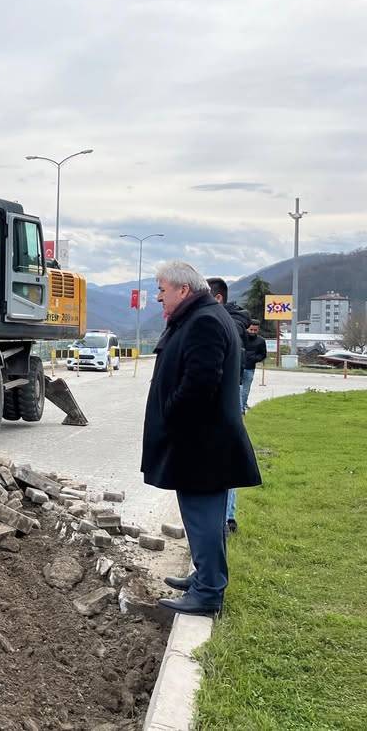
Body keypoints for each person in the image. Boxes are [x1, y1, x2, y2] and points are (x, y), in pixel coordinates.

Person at [142, 261, 262, 615]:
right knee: (202, 515)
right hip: (202, 440)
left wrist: (171, 414)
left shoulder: (205, 321)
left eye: (162, 290)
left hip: (201, 442)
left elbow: (200, 384)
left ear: (183, 290)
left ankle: (208, 593)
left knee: (204, 516)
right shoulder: (203, 315)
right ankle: (204, 578)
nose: (158, 297)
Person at [206, 276, 251, 533]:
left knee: (226, 452)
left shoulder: (230, 320)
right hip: (216, 393)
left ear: (218, 298)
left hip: (228, 393)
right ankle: (217, 516)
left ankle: (227, 518)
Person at [241, 320, 267, 413]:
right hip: (239, 367)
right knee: (238, 388)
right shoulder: (241, 338)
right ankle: (239, 407)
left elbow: (263, 354)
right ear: (247, 328)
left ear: (258, 330)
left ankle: (242, 407)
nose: (252, 332)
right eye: (251, 329)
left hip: (250, 368)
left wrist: (254, 358)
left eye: (255, 330)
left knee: (245, 389)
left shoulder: (261, 341)